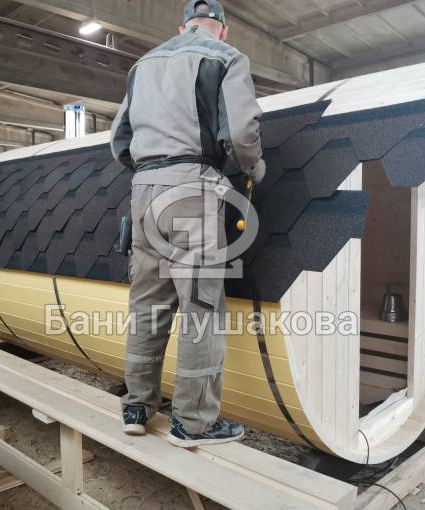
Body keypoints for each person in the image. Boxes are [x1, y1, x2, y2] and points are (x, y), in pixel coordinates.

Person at [110, 0, 265, 447]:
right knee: (201, 310)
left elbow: (119, 139)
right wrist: (253, 167)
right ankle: (193, 423)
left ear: (182, 27)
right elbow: (241, 132)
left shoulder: (142, 64)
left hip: (142, 191)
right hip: (192, 189)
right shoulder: (227, 57)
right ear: (224, 30)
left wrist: (150, 172)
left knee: (147, 305)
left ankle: (137, 407)